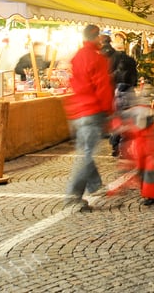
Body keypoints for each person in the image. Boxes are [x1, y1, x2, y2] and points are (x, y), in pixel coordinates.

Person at [63, 24, 114, 211]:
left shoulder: (77, 57)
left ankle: (96, 186)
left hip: (77, 110)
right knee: (86, 155)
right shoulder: (97, 59)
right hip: (92, 110)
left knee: (85, 150)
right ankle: (73, 196)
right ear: (96, 37)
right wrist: (109, 112)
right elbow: (103, 88)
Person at [107, 85, 154, 205]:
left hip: (146, 147)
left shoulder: (136, 111)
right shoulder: (140, 110)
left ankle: (150, 195)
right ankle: (148, 194)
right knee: (144, 172)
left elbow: (125, 126)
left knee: (147, 173)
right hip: (144, 147)